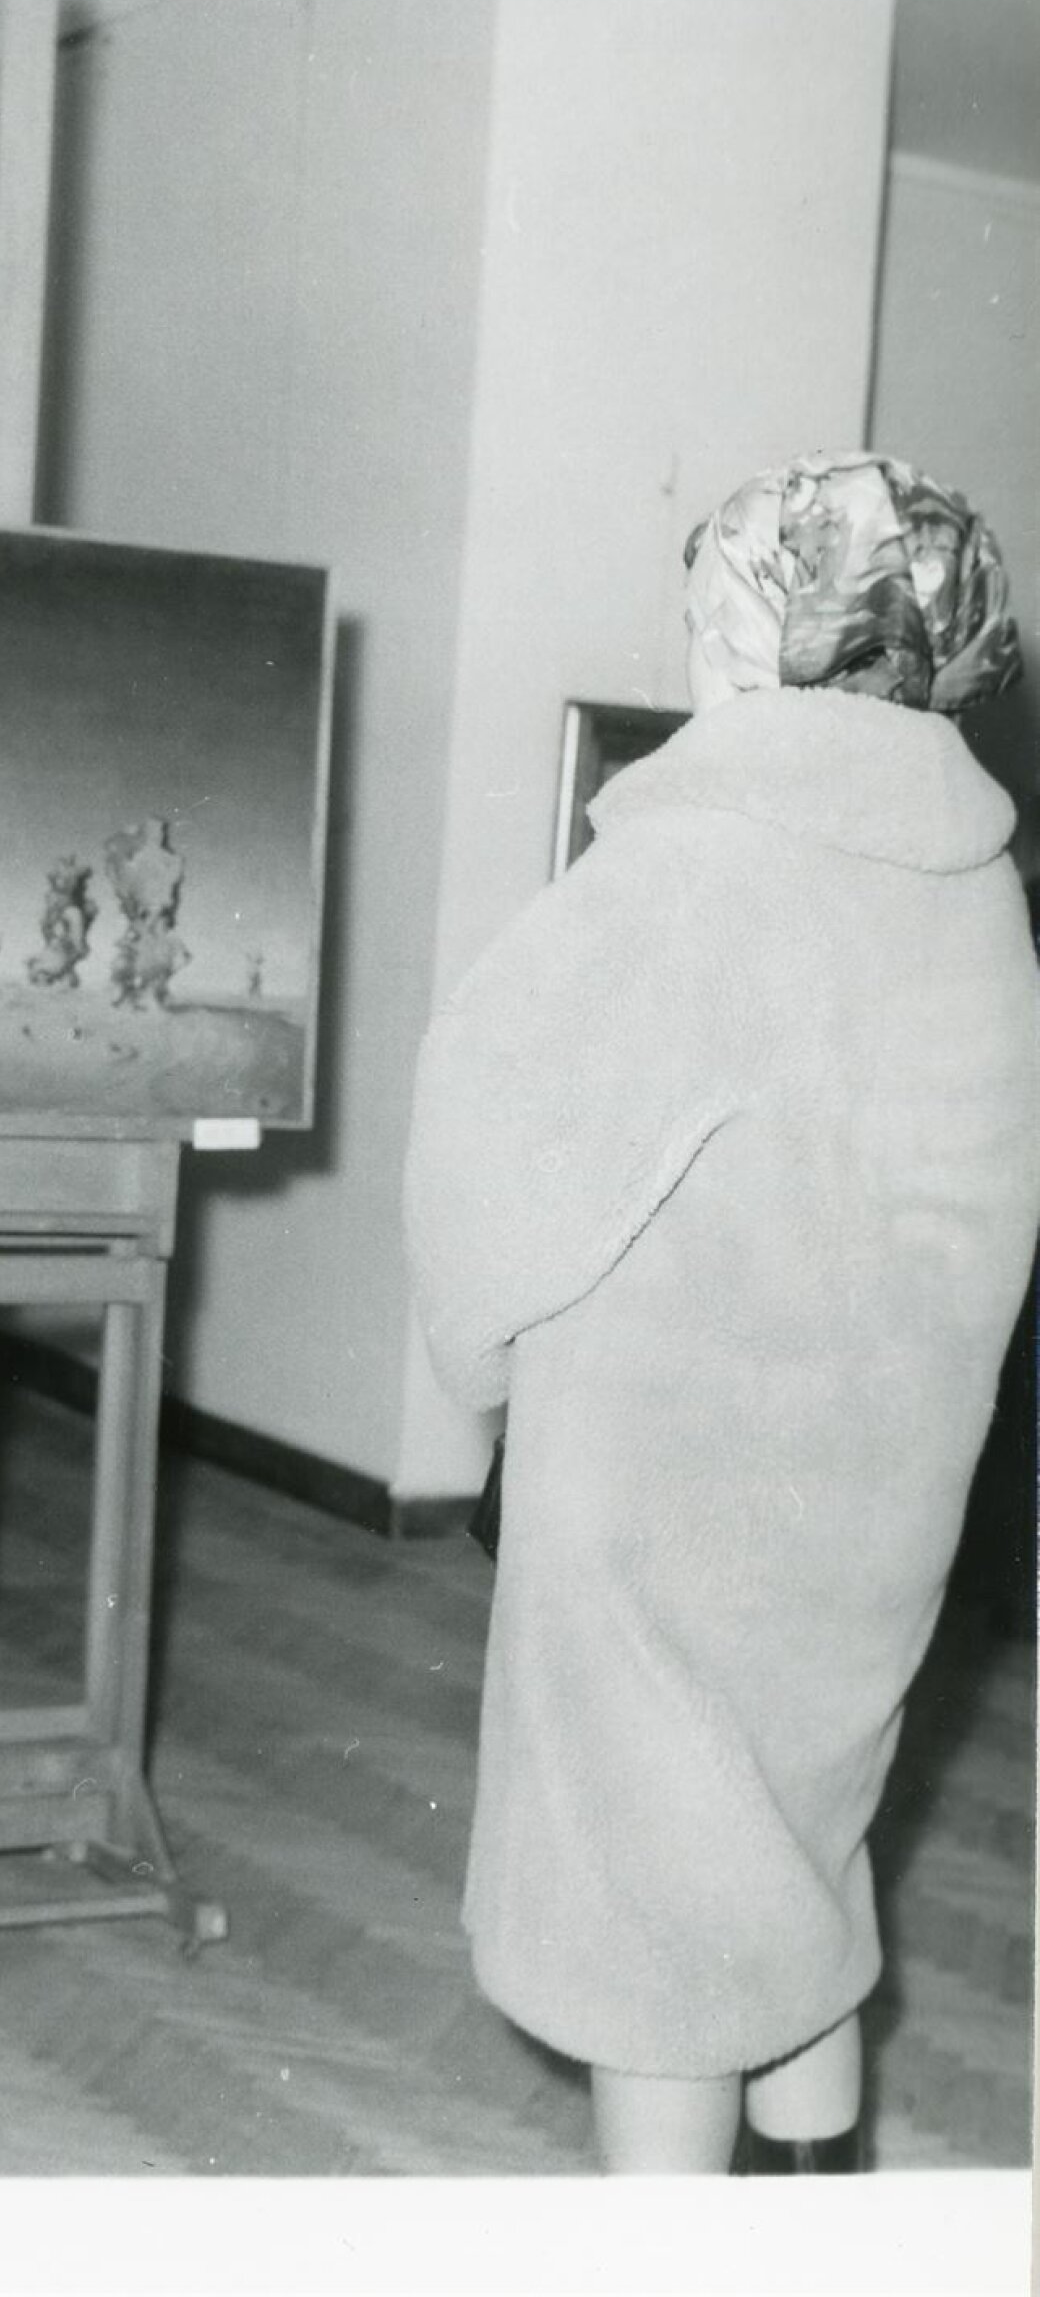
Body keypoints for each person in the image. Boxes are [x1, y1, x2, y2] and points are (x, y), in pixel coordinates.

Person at [403, 452, 1040, 2175]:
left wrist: (482, 1353)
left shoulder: (694, 863)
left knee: (651, 1889)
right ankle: (815, 2196)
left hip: (664, 1474)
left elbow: (494, 1132)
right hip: (879, 1464)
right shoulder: (974, 878)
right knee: (799, 1820)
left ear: (765, 635)